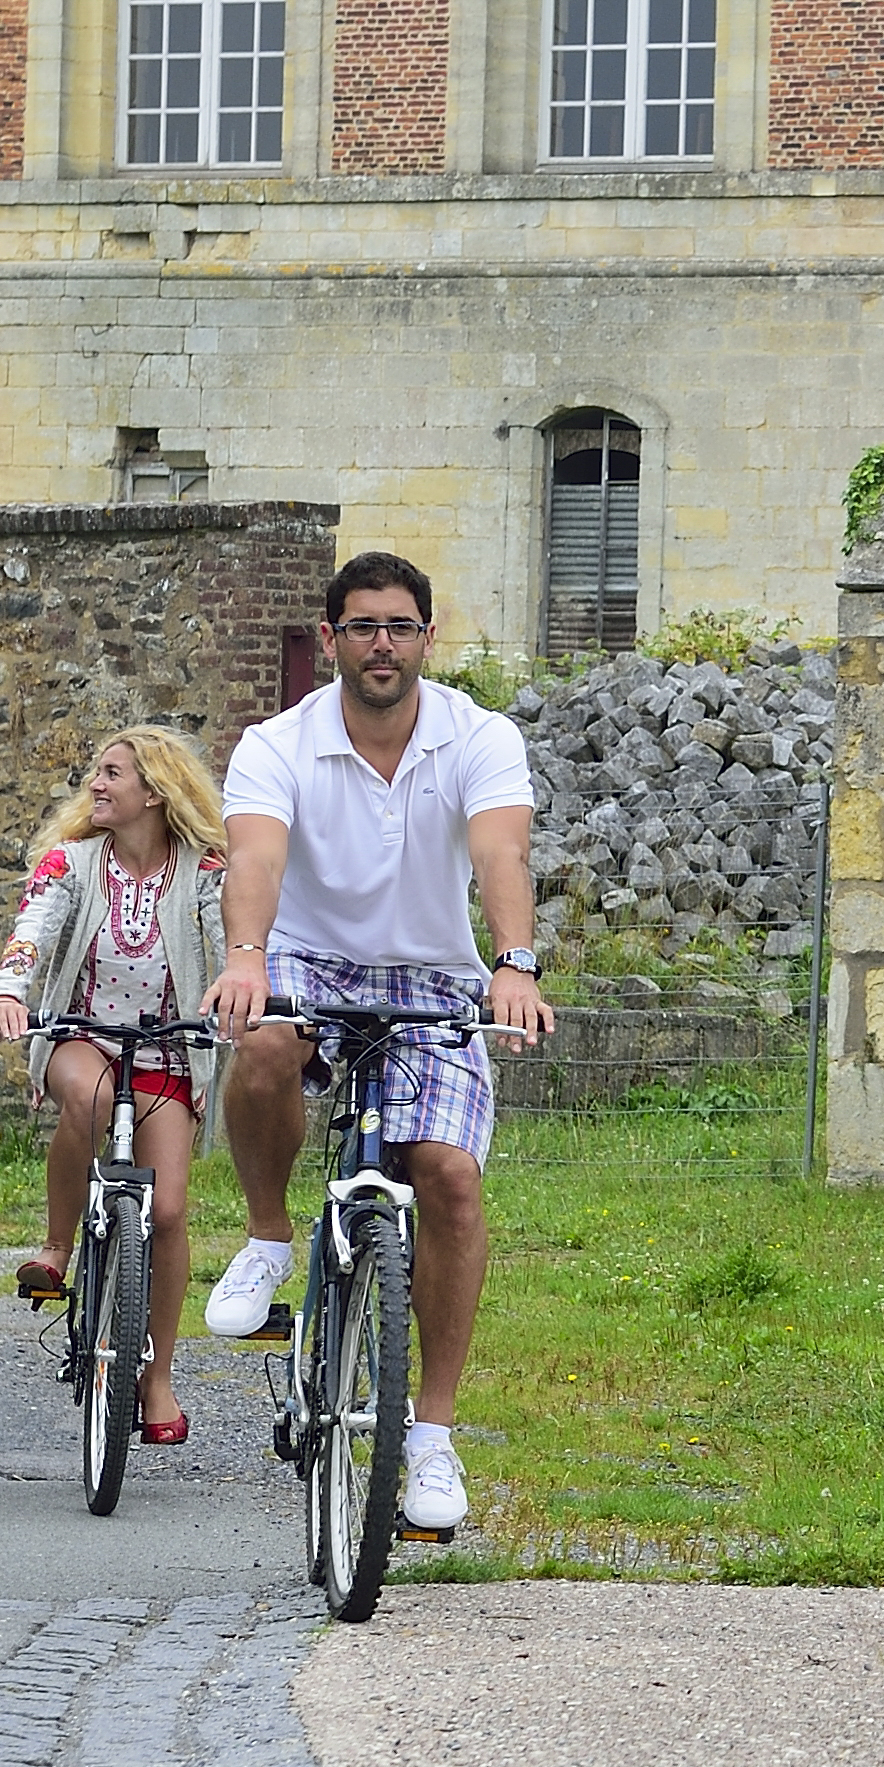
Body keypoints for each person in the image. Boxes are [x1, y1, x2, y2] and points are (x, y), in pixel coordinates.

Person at [203, 553, 549, 1538]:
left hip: (432, 976)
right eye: (361, 626)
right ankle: (269, 1241)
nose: (381, 643)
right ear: (330, 639)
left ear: (427, 637)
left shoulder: (478, 736)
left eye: (399, 625)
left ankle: (431, 1438)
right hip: (309, 961)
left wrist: (513, 963)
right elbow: (258, 857)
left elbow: (499, 851)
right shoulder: (278, 743)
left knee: (447, 1176)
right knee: (263, 1042)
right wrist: (244, 956)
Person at [0, 727, 232, 1441]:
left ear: (154, 792)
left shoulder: (206, 870)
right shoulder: (72, 862)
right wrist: (10, 991)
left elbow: (230, 934)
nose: (96, 783)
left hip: (168, 1053)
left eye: (112, 773)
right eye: (98, 771)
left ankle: (157, 1377)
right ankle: (59, 1247)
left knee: (171, 1212)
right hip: (81, 1036)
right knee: (89, 1102)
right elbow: (33, 929)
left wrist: (234, 995)